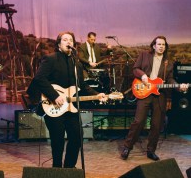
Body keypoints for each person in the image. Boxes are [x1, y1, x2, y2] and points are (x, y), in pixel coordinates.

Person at [27, 31, 107, 168]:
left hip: (70, 107)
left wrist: (97, 94)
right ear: (59, 44)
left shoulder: (77, 64)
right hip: (54, 105)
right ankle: (57, 169)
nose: (68, 42)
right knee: (57, 140)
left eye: (71, 40)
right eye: (65, 40)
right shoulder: (50, 59)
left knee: (77, 137)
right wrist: (55, 96)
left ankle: (69, 168)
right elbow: (39, 78)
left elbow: (81, 86)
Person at [120, 36, 188, 161]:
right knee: (138, 121)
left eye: (163, 44)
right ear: (154, 45)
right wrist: (144, 76)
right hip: (144, 92)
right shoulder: (144, 55)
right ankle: (127, 147)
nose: (161, 46)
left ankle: (151, 150)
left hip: (159, 95)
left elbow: (170, 79)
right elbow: (135, 69)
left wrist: (179, 86)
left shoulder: (168, 62)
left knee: (157, 125)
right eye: (159, 44)